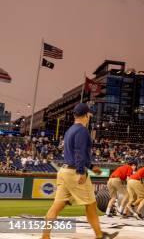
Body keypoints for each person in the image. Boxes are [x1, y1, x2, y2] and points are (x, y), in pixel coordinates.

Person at [41, 102, 117, 239]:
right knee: (91, 205)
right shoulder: (82, 130)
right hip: (75, 172)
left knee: (56, 206)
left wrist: (92, 167)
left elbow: (75, 153)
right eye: (89, 115)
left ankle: (45, 236)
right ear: (86, 115)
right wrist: (81, 171)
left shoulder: (70, 130)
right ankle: (99, 235)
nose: (89, 117)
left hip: (63, 171)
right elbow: (79, 153)